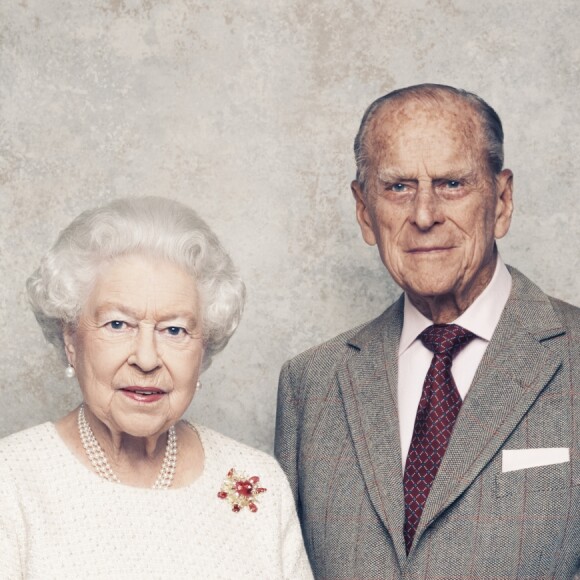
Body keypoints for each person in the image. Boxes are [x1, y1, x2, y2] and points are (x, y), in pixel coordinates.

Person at [275, 84, 579, 579]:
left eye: (451, 184)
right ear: (363, 210)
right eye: (397, 187)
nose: (423, 214)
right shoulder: (311, 385)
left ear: (501, 200)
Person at [0, 197, 313, 579]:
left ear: (204, 348)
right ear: (71, 338)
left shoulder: (259, 482)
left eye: (174, 330)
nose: (146, 359)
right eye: (118, 324)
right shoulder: (11, 479)